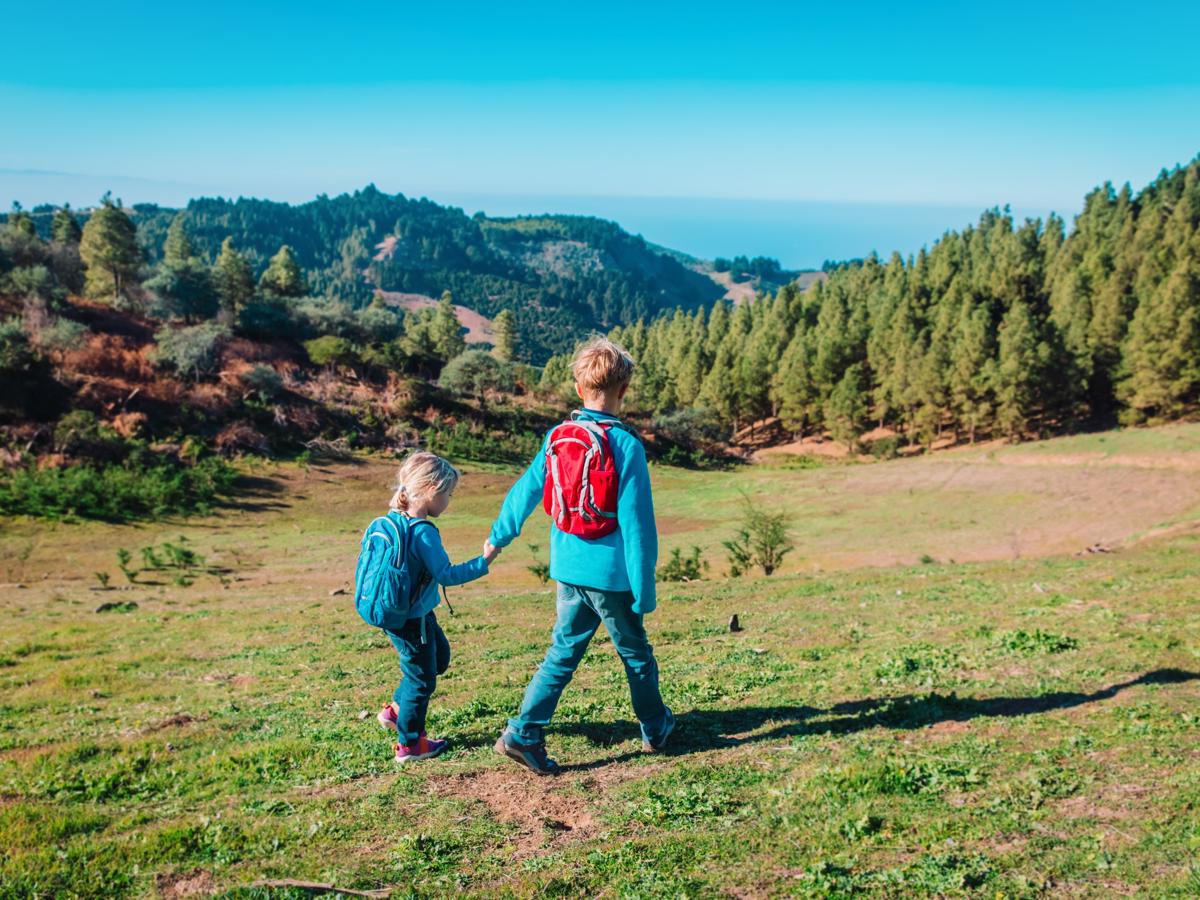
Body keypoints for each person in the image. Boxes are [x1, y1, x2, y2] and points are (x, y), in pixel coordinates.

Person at [486, 337, 673, 775]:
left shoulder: (557, 436)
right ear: (623, 390)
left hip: (567, 570)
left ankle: (524, 732)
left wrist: (498, 538)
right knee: (637, 656)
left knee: (562, 652)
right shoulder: (626, 446)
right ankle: (655, 728)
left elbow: (526, 491)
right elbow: (637, 525)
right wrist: (644, 590)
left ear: (578, 388)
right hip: (611, 578)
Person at [374, 451, 500, 763]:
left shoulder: (393, 521)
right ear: (431, 491)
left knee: (438, 659)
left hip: (407, 613)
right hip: (411, 619)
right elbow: (447, 574)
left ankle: (396, 710)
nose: (449, 500)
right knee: (422, 680)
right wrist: (485, 561)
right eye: (448, 494)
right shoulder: (423, 532)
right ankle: (411, 744)